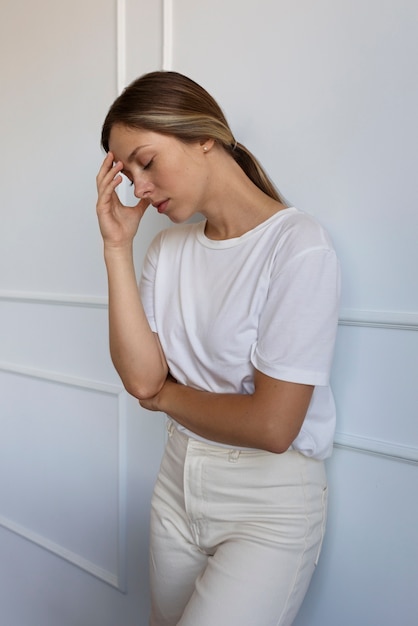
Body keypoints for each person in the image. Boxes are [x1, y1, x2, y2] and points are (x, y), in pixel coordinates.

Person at [96, 70, 340, 626]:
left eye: (146, 161)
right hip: (176, 485)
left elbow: (273, 427)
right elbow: (141, 380)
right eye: (127, 174)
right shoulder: (166, 250)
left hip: (268, 504)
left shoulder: (298, 245)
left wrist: (165, 398)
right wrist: (116, 247)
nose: (138, 187)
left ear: (203, 135)